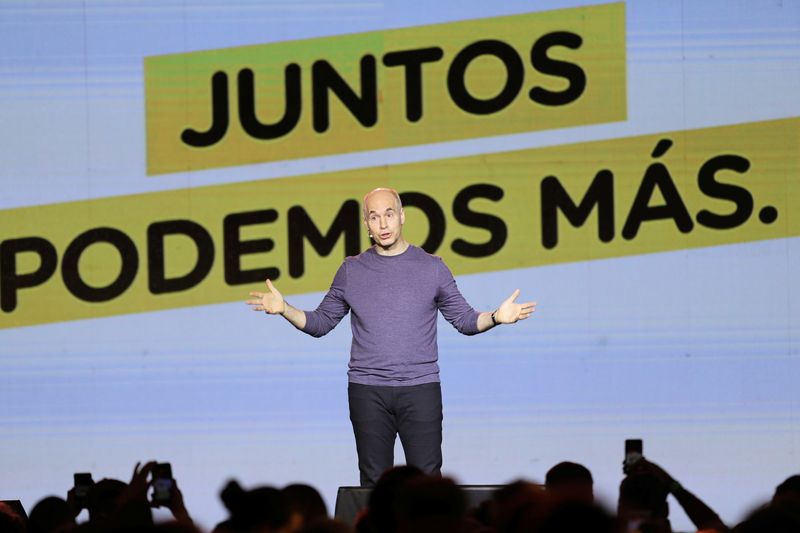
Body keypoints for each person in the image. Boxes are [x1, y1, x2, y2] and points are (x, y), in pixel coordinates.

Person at [247, 187, 536, 486]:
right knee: (373, 485)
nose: (383, 224)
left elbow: (464, 320)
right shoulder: (352, 270)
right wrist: (285, 309)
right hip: (367, 390)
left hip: (420, 388)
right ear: (366, 225)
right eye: (374, 217)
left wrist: (495, 317)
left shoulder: (432, 268)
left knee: (427, 486)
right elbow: (321, 323)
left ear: (402, 217)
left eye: (388, 214)